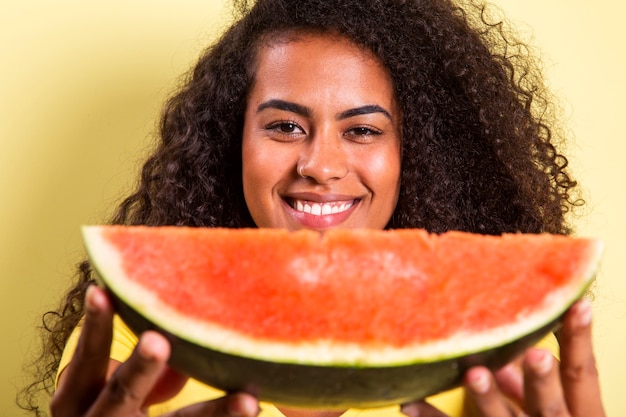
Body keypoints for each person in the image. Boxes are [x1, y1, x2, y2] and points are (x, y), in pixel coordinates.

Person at [20, 0, 606, 416]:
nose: (319, 165)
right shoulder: (131, 345)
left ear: (417, 151)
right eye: (284, 125)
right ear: (233, 140)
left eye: (363, 131)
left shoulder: (512, 359)